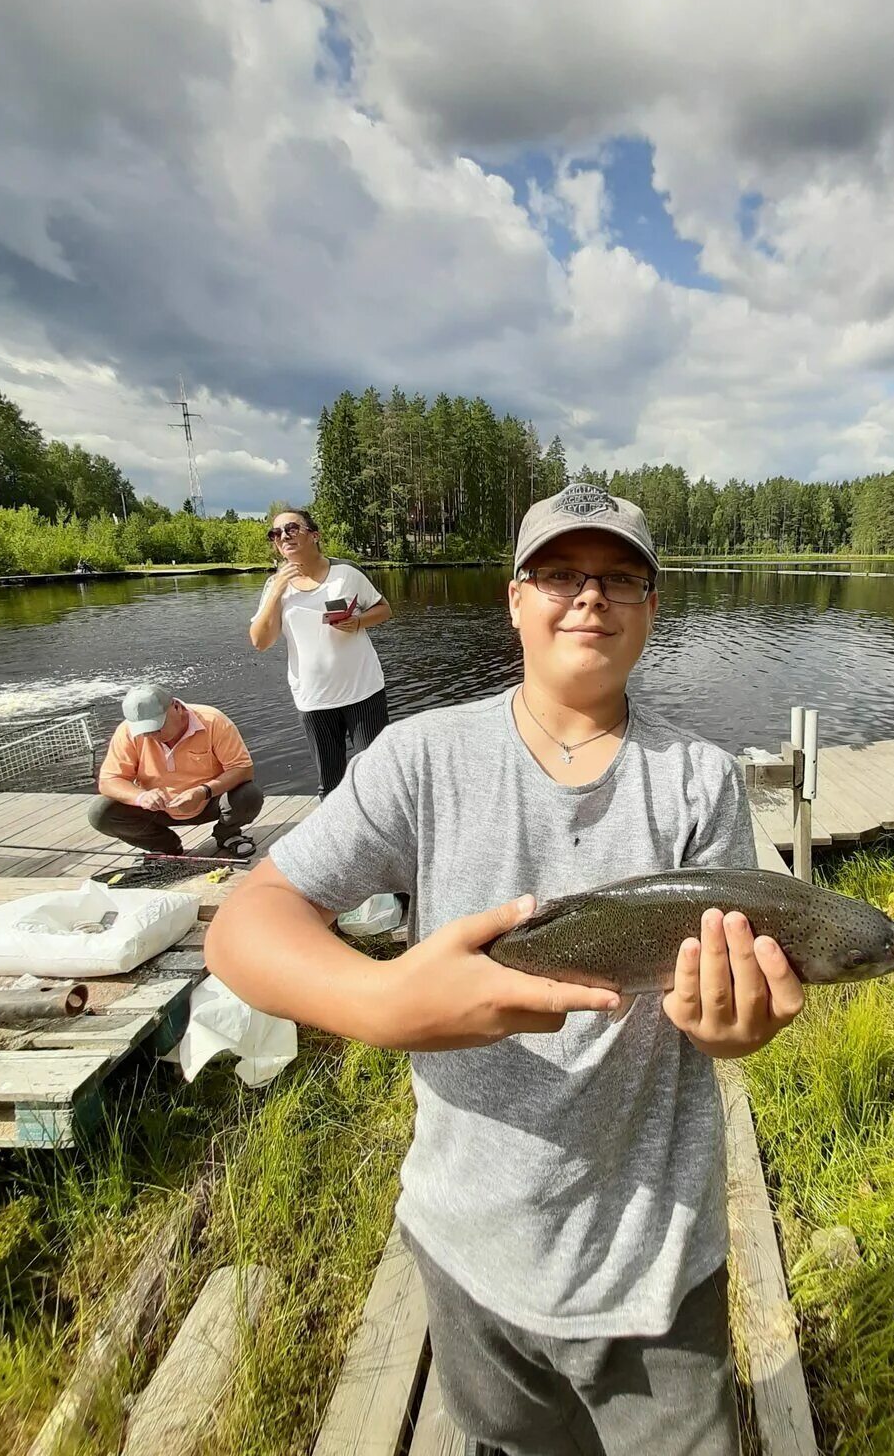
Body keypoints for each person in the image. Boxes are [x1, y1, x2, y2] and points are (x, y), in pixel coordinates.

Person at [206, 482, 804, 1456]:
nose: (590, 597)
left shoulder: (700, 780)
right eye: (560, 573)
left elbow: (715, 998)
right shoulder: (420, 759)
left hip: (653, 1263)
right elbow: (246, 925)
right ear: (514, 598)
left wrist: (731, 1024)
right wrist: (384, 1000)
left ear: (653, 606)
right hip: (468, 1244)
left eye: (620, 578)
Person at [250, 507, 392, 798]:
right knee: (331, 784)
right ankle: (339, 840)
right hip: (314, 699)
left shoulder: (346, 573)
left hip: (362, 691)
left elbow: (384, 609)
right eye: (275, 533)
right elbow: (260, 641)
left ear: (314, 535)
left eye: (291, 528)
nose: (283, 536)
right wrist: (277, 589)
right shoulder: (274, 587)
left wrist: (358, 622)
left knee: (376, 774)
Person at [90, 683, 264, 858]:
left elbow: (242, 769)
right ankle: (164, 845)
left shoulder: (213, 720)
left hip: (209, 801)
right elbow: (108, 781)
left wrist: (203, 791)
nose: (150, 735)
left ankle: (228, 834)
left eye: (157, 727)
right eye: (144, 730)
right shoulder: (127, 732)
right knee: (101, 812)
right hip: (157, 808)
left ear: (177, 707)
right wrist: (141, 796)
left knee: (249, 794)